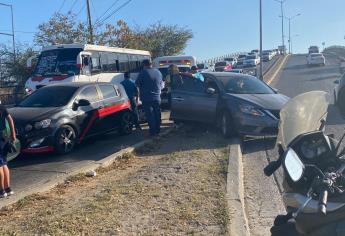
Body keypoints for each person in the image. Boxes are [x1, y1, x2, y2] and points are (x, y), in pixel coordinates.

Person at [136, 59, 164, 136]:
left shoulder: (142, 73)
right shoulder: (158, 72)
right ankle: (158, 130)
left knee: (150, 115)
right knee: (157, 114)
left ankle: (153, 132)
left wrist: (137, 97)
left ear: (144, 65)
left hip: (146, 98)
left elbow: (137, 85)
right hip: (157, 97)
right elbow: (161, 85)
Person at [0, 104, 16, 198]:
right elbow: (10, 119)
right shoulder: (2, 107)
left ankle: (1, 191)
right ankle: (8, 188)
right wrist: (13, 134)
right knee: (4, 163)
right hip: (4, 137)